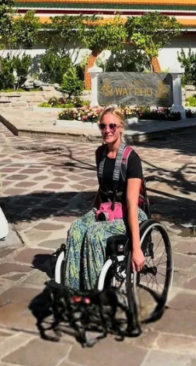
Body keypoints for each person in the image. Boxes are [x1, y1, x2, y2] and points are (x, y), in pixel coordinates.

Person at [63, 107, 147, 292]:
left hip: (129, 214)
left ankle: (97, 293)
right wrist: (91, 212)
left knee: (95, 234)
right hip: (106, 209)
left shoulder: (131, 159)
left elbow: (132, 205)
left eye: (112, 126)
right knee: (76, 229)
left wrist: (137, 248)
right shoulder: (100, 154)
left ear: (121, 127)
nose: (107, 130)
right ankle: (74, 290)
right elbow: (103, 187)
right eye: (103, 126)